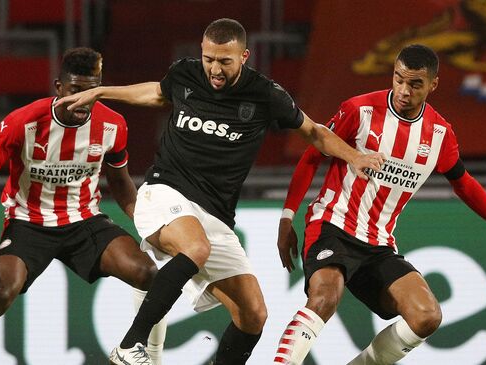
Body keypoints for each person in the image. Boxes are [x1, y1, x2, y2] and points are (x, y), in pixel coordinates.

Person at [55, 18, 384, 365]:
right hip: (164, 192)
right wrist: (100, 91)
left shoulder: (264, 94)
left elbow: (314, 132)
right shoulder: (185, 74)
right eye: (209, 58)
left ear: (244, 56)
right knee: (196, 246)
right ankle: (129, 345)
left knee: (253, 313)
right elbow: (156, 93)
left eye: (224, 61)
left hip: (214, 216)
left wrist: (354, 156)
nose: (214, 68)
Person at [272, 44, 486, 365]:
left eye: (415, 84)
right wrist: (286, 216)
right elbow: (311, 156)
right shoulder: (359, 110)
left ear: (433, 85)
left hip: (378, 244)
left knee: (426, 316)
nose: (404, 90)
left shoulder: (440, 134)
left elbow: (466, 186)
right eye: (398, 79)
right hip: (332, 225)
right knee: (325, 295)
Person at [0, 47, 166, 365]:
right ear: (59, 87)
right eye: (75, 91)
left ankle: (151, 359)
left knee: (149, 274)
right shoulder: (23, 122)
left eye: (91, 92)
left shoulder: (113, 125)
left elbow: (122, 184)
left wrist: (150, 225)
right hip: (28, 221)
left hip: (84, 219)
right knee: (2, 292)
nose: (82, 101)